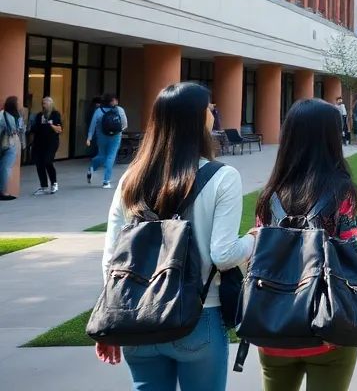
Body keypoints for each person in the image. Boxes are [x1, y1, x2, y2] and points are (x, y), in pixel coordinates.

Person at [95, 82, 256, 390]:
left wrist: (111, 324)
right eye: (208, 107)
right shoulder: (222, 177)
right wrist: (252, 239)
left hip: (135, 317)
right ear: (197, 118)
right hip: (197, 315)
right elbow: (223, 255)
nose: (212, 112)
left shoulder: (131, 178)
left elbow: (112, 260)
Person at [254, 98, 357, 390]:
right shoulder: (342, 193)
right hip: (327, 327)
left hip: (274, 324)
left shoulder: (270, 195)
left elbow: (259, 256)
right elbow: (350, 256)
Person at [87, 93, 128, 189]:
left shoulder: (98, 111)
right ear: (112, 101)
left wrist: (89, 138)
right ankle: (106, 181)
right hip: (115, 137)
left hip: (101, 136)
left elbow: (92, 125)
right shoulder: (119, 110)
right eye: (115, 100)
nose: (117, 101)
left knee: (101, 156)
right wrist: (119, 131)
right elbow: (125, 124)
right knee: (111, 157)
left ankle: (92, 167)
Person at [29, 96, 63, 195]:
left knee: (48, 161)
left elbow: (59, 129)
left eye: (45, 103)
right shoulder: (39, 116)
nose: (43, 105)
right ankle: (43, 186)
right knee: (39, 164)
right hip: (39, 143)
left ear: (50, 104)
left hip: (52, 143)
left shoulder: (55, 114)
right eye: (42, 103)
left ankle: (54, 183)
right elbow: (34, 130)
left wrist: (50, 124)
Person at [0, 96, 21, 201]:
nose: (19, 104)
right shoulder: (15, 116)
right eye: (18, 102)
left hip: (6, 144)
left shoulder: (2, 115)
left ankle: (3, 191)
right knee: (5, 168)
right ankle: (3, 192)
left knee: (4, 168)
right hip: (10, 144)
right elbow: (20, 129)